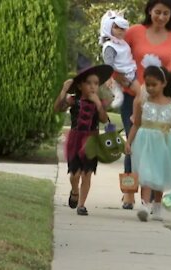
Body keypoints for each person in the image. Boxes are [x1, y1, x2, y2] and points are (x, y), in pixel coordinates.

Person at [116, 0, 171, 210]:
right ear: (149, 11)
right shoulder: (135, 32)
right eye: (158, 12)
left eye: (166, 13)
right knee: (134, 143)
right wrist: (134, 86)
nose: (161, 17)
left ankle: (154, 196)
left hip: (161, 100)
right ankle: (129, 191)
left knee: (156, 148)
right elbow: (117, 61)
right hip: (133, 97)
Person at [125, 55, 171, 222]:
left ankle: (158, 206)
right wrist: (129, 142)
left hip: (165, 143)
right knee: (146, 173)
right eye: (148, 84)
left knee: (160, 174)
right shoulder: (141, 102)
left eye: (154, 84)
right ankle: (144, 205)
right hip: (145, 142)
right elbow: (136, 124)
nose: (150, 88)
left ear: (163, 84)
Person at [53, 54, 113, 216]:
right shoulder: (74, 100)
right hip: (75, 139)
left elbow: (103, 119)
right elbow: (57, 108)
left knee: (87, 173)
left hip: (91, 140)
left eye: (96, 83)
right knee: (75, 174)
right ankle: (74, 190)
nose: (93, 87)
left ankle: (81, 204)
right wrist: (64, 90)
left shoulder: (99, 101)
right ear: (80, 86)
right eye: (89, 83)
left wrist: (99, 104)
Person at [99, 10, 140, 108]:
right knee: (141, 93)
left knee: (141, 93)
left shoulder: (121, 43)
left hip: (130, 71)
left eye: (122, 28)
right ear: (108, 28)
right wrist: (108, 77)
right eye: (116, 27)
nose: (120, 31)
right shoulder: (110, 46)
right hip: (123, 74)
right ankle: (118, 95)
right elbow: (108, 64)